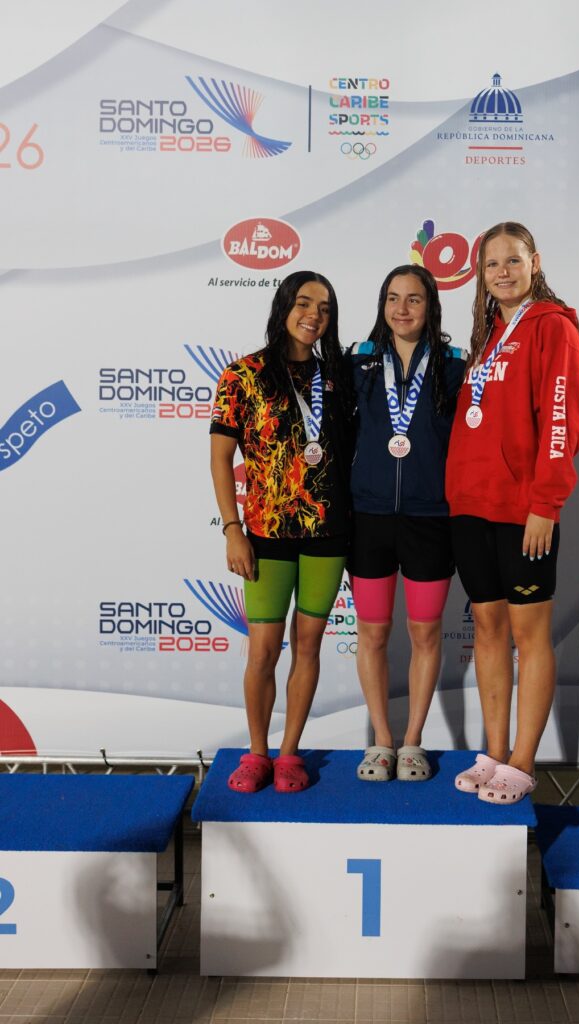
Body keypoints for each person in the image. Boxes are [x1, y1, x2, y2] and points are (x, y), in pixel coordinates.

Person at [445, 222, 579, 804]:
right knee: (486, 629)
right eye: (491, 263)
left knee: (529, 637)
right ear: (480, 274)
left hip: (523, 510)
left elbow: (560, 419)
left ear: (535, 262)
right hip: (471, 506)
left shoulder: (552, 327)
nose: (502, 272)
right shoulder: (487, 334)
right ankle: (496, 751)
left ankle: (523, 761)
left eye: (513, 260)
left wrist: (545, 503)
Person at [210, 271, 352, 793]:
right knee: (263, 651)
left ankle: (289, 753)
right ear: (284, 307)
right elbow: (220, 459)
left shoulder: (338, 375)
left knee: (308, 647)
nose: (314, 315)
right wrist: (232, 529)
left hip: (328, 533)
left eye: (325, 308)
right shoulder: (242, 375)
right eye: (304, 303)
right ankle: (257, 752)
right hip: (265, 533)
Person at [348, 265, 466, 782]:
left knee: (425, 632)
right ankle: (381, 741)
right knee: (372, 633)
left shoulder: (455, 365)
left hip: (430, 518)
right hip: (369, 517)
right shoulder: (358, 361)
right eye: (393, 298)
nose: (402, 309)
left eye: (414, 299)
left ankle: (413, 741)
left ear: (431, 306)